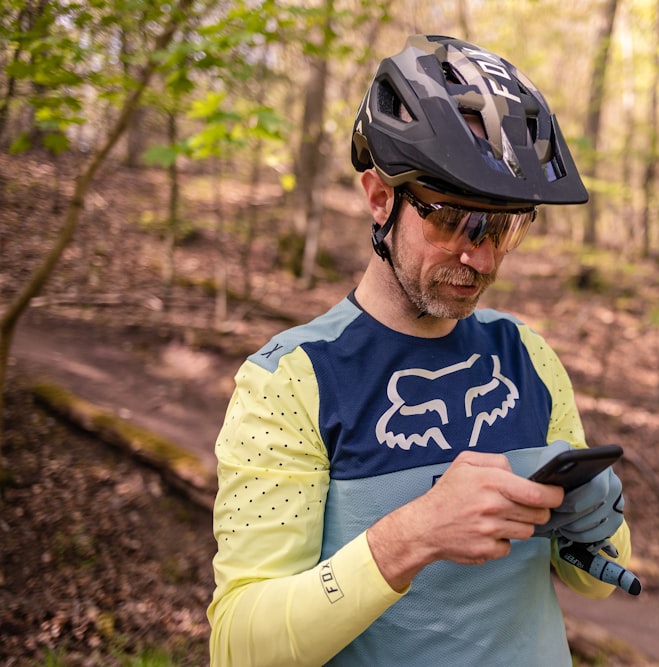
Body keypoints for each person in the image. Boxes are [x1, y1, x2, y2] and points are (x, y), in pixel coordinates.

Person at [207, 34, 632, 667]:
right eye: (454, 219)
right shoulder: (292, 380)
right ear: (380, 198)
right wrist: (412, 535)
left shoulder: (527, 356)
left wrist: (596, 521)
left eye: (504, 226)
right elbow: (240, 645)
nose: (480, 256)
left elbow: (597, 580)